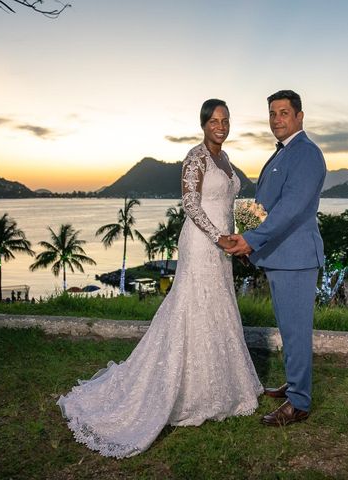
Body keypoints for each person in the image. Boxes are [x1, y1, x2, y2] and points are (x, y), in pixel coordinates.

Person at [57, 99, 263, 458]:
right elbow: (191, 205)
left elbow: (227, 204)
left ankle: (223, 387)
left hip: (225, 245)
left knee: (219, 307)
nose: (221, 126)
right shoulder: (195, 157)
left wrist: (240, 235)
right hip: (202, 243)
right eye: (214, 120)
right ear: (203, 124)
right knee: (192, 307)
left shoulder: (226, 161)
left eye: (226, 120)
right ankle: (184, 392)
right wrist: (219, 237)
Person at [226, 90, 326, 426]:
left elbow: (289, 210)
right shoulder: (284, 153)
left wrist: (251, 241)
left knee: (296, 330)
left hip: (296, 257)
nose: (277, 119)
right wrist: (250, 237)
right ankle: (295, 384)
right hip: (281, 256)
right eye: (272, 113)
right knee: (288, 327)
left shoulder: (307, 154)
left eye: (284, 113)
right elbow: (268, 207)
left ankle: (299, 403)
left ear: (299, 116)